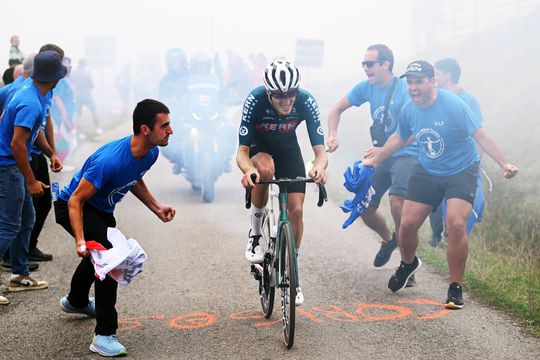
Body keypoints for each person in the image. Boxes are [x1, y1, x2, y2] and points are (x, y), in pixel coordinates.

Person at [363, 60, 518, 309]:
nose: (413, 88)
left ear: (432, 81)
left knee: (456, 224)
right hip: (427, 170)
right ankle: (408, 263)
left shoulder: (453, 104)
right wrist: (376, 159)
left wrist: (504, 163)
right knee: (408, 223)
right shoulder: (408, 109)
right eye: (410, 82)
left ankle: (455, 287)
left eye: (419, 82)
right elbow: (399, 138)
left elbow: (481, 135)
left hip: (461, 170)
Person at [54, 99, 176, 357]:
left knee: (98, 257)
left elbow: (134, 178)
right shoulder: (109, 161)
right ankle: (104, 335)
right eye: (164, 125)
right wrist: (80, 240)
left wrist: (156, 207)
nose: (170, 130)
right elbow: (76, 199)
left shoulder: (150, 152)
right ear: (145, 129)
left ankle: (76, 301)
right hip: (73, 206)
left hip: (99, 211)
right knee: (110, 259)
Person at [237, 59, 327, 306]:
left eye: (291, 94)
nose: (286, 100)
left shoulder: (306, 100)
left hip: (289, 149)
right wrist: (248, 171)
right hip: (260, 147)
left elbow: (320, 153)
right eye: (279, 95)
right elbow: (241, 152)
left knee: (296, 210)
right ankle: (255, 235)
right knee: (265, 169)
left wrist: (319, 167)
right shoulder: (255, 99)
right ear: (269, 92)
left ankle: (291, 270)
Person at [326, 44, 418, 272]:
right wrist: (333, 135)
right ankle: (389, 240)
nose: (365, 68)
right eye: (363, 64)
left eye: (370, 64)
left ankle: (407, 263)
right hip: (381, 156)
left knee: (398, 204)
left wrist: (382, 152)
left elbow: (414, 132)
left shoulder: (404, 89)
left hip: (406, 154)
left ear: (386, 64)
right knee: (363, 206)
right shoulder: (366, 87)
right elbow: (335, 110)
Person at [0, 51, 65, 305]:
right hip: (8, 167)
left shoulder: (34, 90)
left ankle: (19, 274)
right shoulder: (30, 102)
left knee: (28, 217)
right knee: (8, 225)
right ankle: (17, 270)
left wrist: (50, 153)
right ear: (54, 78)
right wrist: (30, 180)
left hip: (12, 166)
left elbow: (33, 131)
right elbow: (18, 144)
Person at [428, 58, 484, 247]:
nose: (433, 77)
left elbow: (478, 131)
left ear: (448, 74)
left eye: (437, 73)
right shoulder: (433, 97)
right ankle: (436, 236)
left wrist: (476, 161)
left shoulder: (468, 100)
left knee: (459, 203)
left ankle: (451, 237)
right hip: (436, 160)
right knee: (433, 201)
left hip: (462, 163)